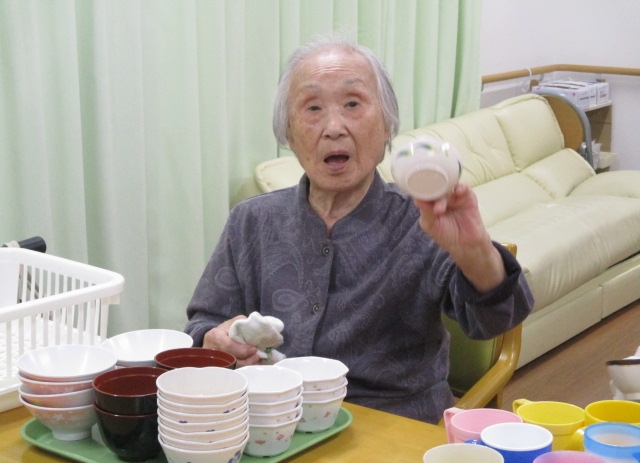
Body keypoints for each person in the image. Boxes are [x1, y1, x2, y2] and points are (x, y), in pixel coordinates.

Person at [185, 36, 534, 424]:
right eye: (313, 108)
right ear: (288, 133)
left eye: (352, 104)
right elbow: (202, 325)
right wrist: (216, 341)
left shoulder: (425, 219)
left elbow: (495, 321)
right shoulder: (252, 221)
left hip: (393, 425)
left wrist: (474, 251)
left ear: (387, 125)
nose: (334, 128)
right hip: (276, 424)